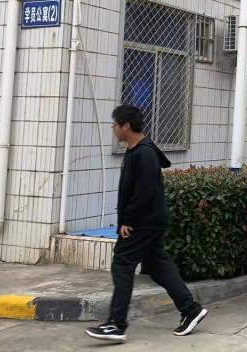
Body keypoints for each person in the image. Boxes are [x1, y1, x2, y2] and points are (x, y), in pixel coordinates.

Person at [86, 105, 208, 343]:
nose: (113, 129)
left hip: (143, 223)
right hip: (149, 221)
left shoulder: (144, 153)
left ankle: (116, 324)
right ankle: (191, 309)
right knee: (157, 265)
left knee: (122, 264)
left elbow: (144, 192)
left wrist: (128, 220)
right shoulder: (137, 150)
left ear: (126, 126)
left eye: (115, 125)